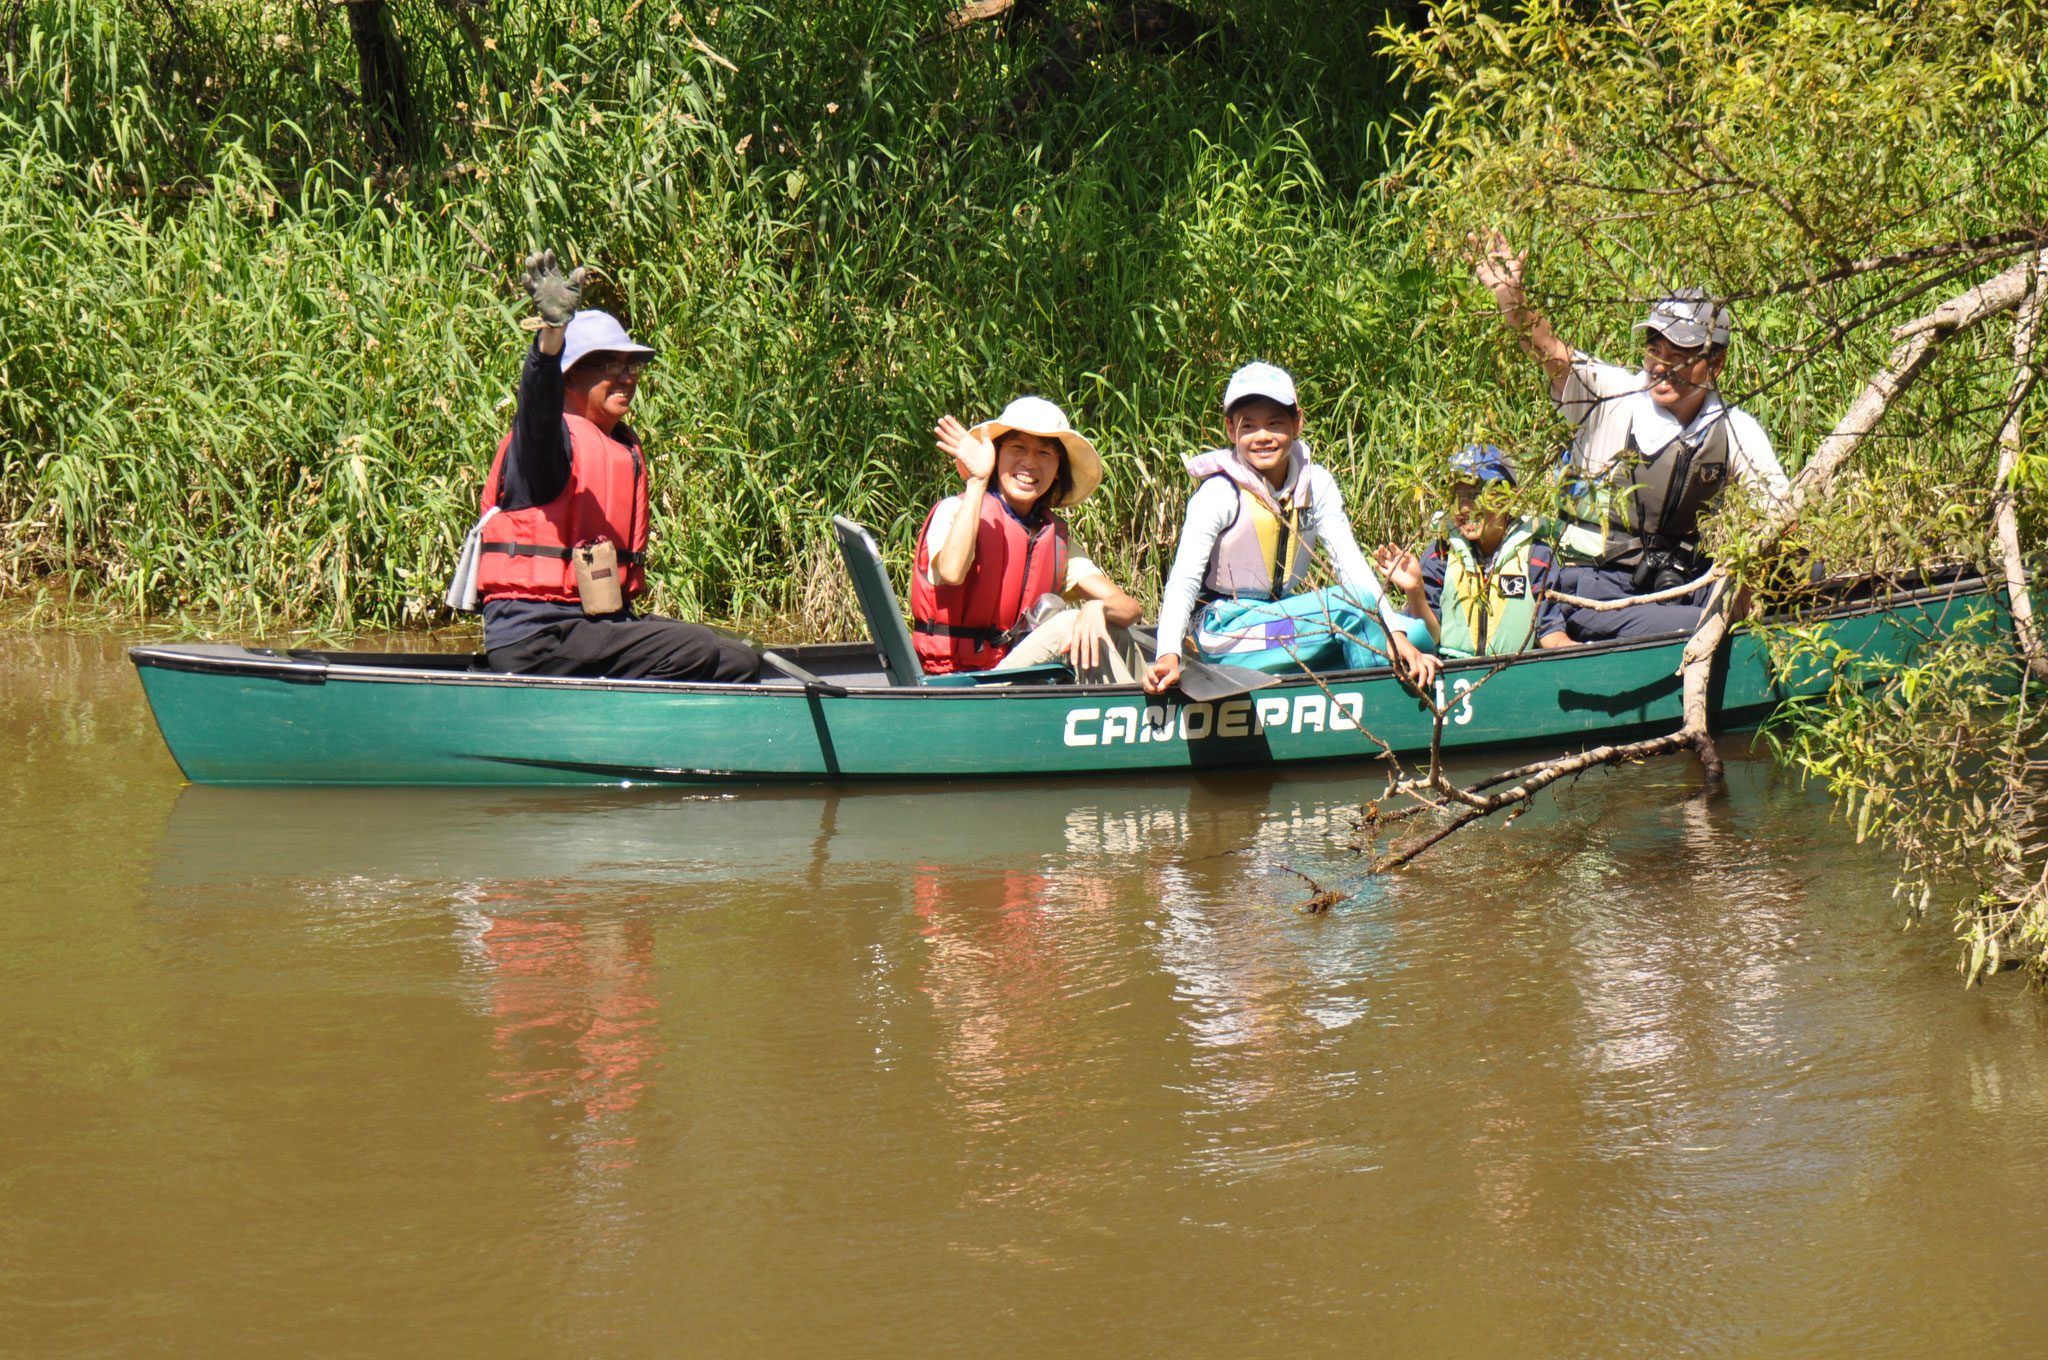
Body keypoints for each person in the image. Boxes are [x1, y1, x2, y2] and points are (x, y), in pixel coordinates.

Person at [1469, 230, 1790, 641]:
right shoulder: (1610, 396)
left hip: (1669, 588)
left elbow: (1785, 514)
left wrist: (1750, 579)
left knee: (1800, 580)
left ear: (1716, 363)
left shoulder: (1733, 429)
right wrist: (1512, 301)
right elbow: (1547, 348)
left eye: (1679, 355)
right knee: (1707, 623)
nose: (1660, 366)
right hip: (1591, 594)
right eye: (1655, 350)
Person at [474, 251, 759, 682]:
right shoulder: (545, 446)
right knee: (697, 649)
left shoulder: (616, 446)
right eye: (610, 365)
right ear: (568, 376)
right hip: (536, 636)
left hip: (592, 627)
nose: (626, 376)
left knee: (737, 654)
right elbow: (536, 405)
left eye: (632, 366)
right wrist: (552, 335)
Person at [1141, 363, 1440, 695]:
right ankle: (1377, 707)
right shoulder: (1218, 494)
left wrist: (1396, 637)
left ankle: (1363, 685)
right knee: (1354, 608)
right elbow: (1182, 580)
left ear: (1297, 422)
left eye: (1274, 423)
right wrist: (1167, 654)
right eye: (1249, 426)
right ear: (1230, 429)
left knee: (1415, 635)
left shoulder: (1318, 485)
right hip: (1222, 632)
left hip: (1277, 619)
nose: (1263, 436)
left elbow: (1350, 565)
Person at [914, 396, 1145, 682]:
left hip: (1015, 676)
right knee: (1070, 623)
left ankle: (1150, 712)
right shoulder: (955, 510)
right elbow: (951, 571)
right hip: (958, 680)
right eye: (1018, 448)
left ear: (1059, 469)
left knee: (1111, 628)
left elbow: (1131, 609)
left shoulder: (1054, 538)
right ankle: (1140, 717)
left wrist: (1098, 607)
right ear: (997, 455)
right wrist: (977, 481)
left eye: (1045, 453)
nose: (1030, 463)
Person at [1373, 444, 1574, 658]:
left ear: (1508, 497)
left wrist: (1575, 648)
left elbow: (1550, 632)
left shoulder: (1537, 556)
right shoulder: (1440, 554)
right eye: (1457, 497)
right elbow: (1429, 636)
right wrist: (1415, 590)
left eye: (1477, 494)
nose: (1464, 508)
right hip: (1453, 672)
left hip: (1513, 671)